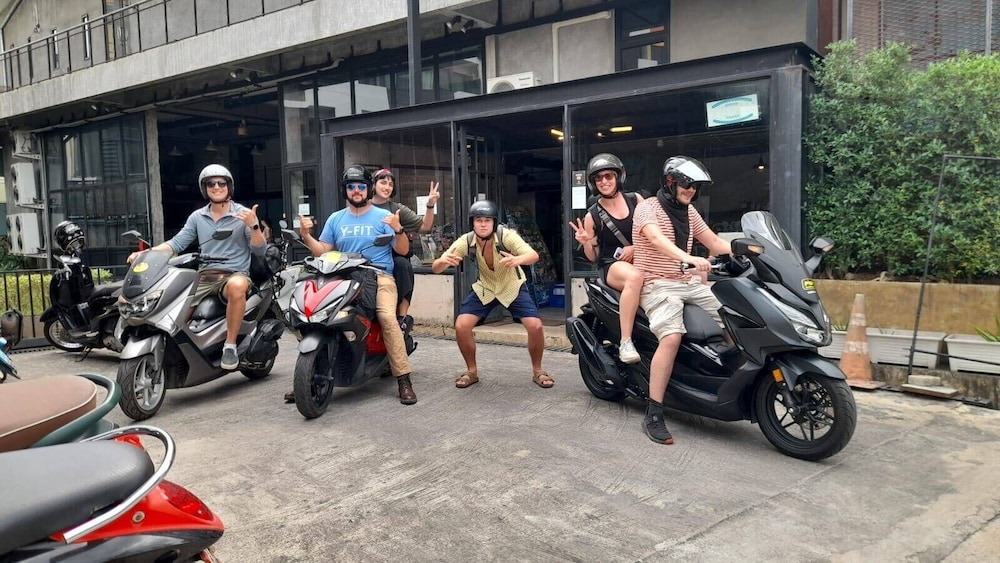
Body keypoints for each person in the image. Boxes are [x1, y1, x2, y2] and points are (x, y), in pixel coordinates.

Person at [296, 164, 417, 405]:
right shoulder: (335, 218)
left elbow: (403, 251)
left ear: (368, 189)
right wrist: (306, 235)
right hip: (343, 275)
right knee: (314, 315)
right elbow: (323, 251)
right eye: (351, 186)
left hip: (379, 276)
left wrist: (398, 229)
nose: (356, 190)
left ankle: (403, 378)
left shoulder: (383, 217)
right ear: (345, 190)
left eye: (361, 186)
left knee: (387, 318)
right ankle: (307, 376)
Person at [631, 156, 732, 445]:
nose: (691, 191)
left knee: (733, 316)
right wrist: (689, 257)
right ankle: (654, 412)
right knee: (672, 336)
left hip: (685, 282)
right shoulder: (647, 208)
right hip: (655, 283)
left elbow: (714, 243)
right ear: (670, 182)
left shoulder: (689, 211)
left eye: (695, 187)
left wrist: (752, 250)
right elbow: (656, 239)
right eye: (687, 184)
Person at [127, 164, 266, 370]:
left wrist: (253, 225)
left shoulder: (243, 215)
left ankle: (229, 346)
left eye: (221, 183)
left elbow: (260, 250)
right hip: (204, 276)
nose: (216, 187)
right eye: (211, 184)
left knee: (237, 286)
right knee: (171, 304)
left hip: (234, 274)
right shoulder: (197, 217)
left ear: (229, 187)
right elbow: (176, 243)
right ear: (204, 188)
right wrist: (146, 254)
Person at [431, 200, 553, 389]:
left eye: (487, 220)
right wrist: (442, 261)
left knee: (535, 326)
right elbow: (436, 268)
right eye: (478, 220)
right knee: (462, 326)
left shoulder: (506, 236)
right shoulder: (466, 240)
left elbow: (533, 255)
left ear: (494, 222)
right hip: (486, 287)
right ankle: (471, 371)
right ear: (472, 223)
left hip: (512, 286)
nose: (482, 224)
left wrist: (518, 259)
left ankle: (538, 370)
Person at [567, 153, 644, 364]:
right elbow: (593, 256)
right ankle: (626, 341)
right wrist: (585, 241)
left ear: (619, 177)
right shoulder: (592, 215)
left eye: (608, 176)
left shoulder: (636, 201)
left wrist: (635, 248)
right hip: (613, 265)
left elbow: (653, 234)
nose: (604, 181)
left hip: (642, 259)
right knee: (635, 277)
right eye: (598, 178)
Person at [370, 168, 440, 328]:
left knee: (403, 265)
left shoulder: (396, 209)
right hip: (368, 257)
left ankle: (402, 318)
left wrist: (430, 205)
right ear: (373, 185)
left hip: (392, 256)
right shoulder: (363, 208)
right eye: (383, 183)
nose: (387, 187)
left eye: (390, 184)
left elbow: (425, 226)